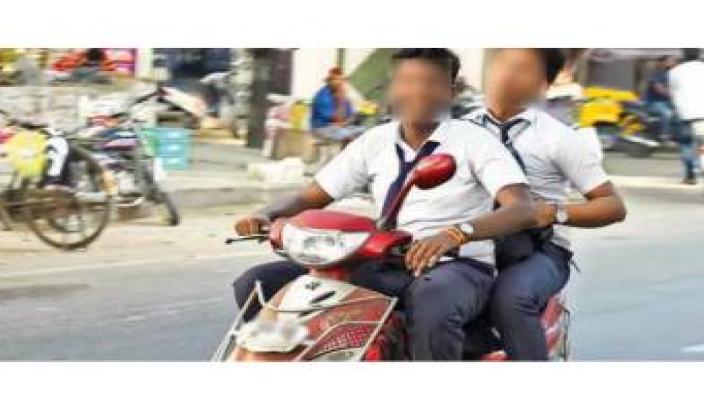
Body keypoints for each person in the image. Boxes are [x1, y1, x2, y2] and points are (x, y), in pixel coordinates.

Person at [232, 48, 537, 361]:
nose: (417, 91)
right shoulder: (374, 141)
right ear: (392, 88)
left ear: (451, 90)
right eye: (406, 81)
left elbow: (522, 208)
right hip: (382, 261)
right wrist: (265, 214)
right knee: (258, 284)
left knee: (433, 302)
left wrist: (456, 233)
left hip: (455, 266)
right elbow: (309, 197)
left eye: (431, 82)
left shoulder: (476, 142)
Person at [464, 48, 627, 360]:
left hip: (539, 250)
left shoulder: (559, 137)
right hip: (470, 242)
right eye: (502, 65)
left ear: (543, 85)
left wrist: (555, 213)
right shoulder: (457, 131)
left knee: (511, 298)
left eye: (522, 69)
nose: (506, 75)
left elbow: (613, 206)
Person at [668, 48, 704, 185]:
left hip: (684, 113)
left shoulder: (675, 71)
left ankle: (690, 175)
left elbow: (672, 93)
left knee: (686, 144)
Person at [309, 67, 364, 142]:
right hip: (321, 128)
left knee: (363, 131)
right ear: (330, 82)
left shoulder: (342, 96)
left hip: (338, 127)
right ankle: (346, 148)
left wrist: (351, 119)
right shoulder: (323, 96)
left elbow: (350, 116)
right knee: (346, 134)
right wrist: (341, 99)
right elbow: (337, 120)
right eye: (336, 80)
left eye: (341, 81)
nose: (340, 83)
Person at [643, 56, 677, 141]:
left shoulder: (672, 74)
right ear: (663, 62)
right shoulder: (657, 74)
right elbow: (659, 88)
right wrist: (672, 95)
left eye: (673, 61)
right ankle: (665, 136)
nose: (673, 63)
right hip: (655, 102)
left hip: (667, 102)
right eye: (670, 61)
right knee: (667, 113)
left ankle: (676, 135)